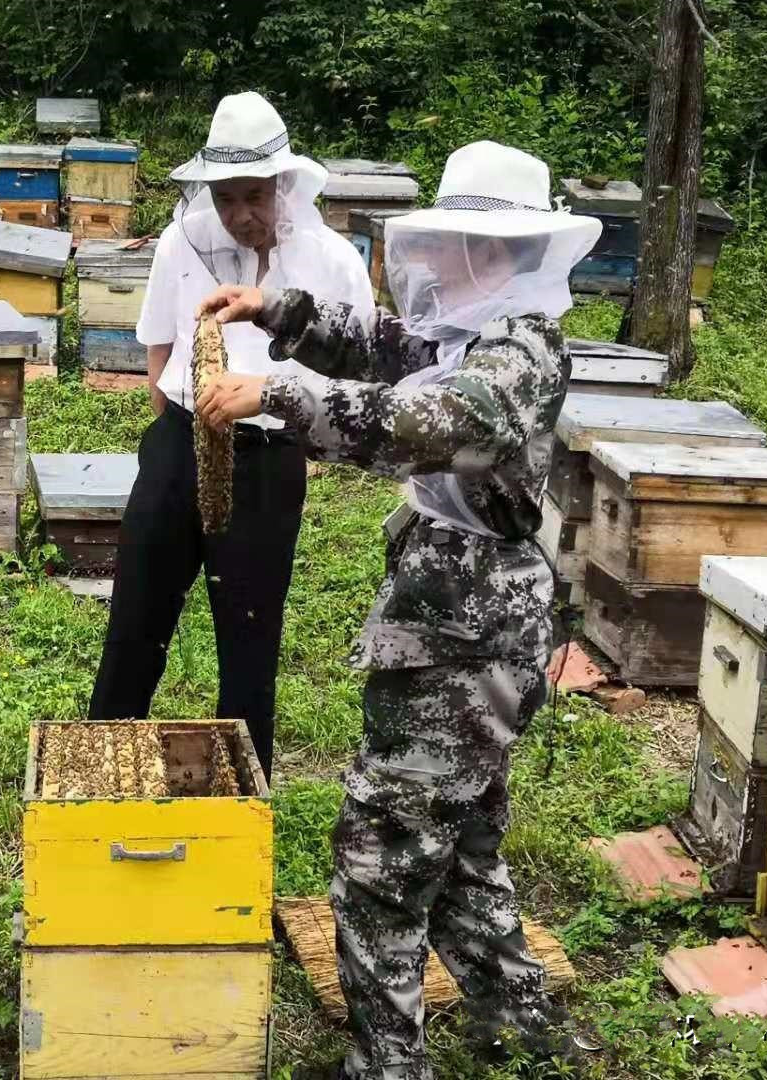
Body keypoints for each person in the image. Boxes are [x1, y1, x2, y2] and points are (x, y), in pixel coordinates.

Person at [196, 141, 603, 1078]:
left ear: (496, 251)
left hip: (470, 635)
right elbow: (393, 349)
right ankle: (530, 1033)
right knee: (459, 847)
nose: (440, 262)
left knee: (380, 859)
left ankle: (387, 1068)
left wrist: (279, 394)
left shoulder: (518, 355)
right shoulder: (474, 326)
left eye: (459, 242)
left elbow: (426, 421)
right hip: (454, 616)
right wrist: (280, 310)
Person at [88, 91, 373, 780]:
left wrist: (290, 438)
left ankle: (241, 808)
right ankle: (95, 783)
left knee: (248, 639)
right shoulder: (179, 243)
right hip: (179, 444)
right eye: (225, 198)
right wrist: (182, 437)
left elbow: (359, 370)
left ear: (283, 185)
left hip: (269, 460)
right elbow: (159, 350)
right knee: (134, 620)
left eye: (253, 195)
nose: (240, 214)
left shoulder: (331, 261)